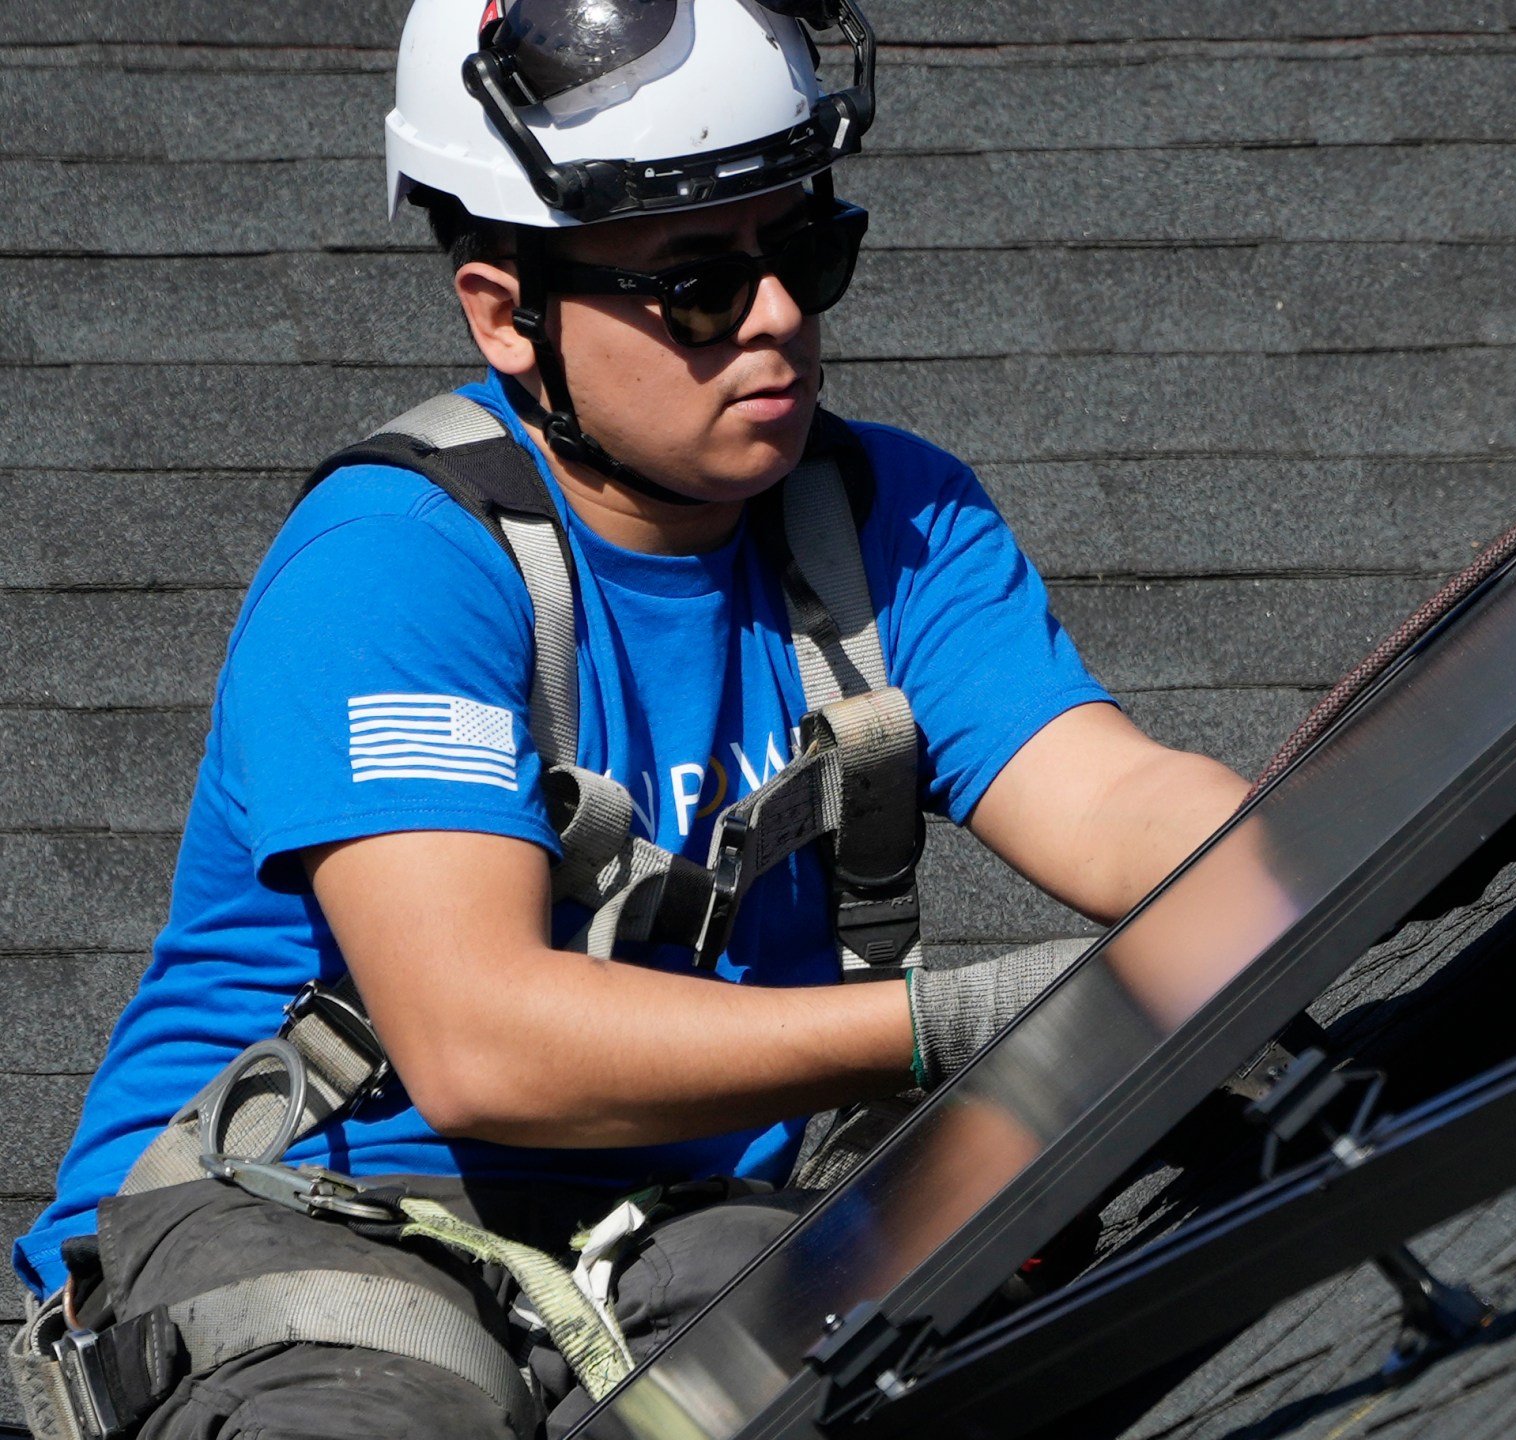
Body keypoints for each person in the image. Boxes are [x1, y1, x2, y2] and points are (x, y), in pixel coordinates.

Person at [4, 2, 1245, 1436]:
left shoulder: (891, 524)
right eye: (698, 285)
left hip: (670, 1209)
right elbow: (477, 1041)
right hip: (309, 1204)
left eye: (807, 250)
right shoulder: (397, 565)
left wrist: (1324, 842)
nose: (778, 316)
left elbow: (1112, 802)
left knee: (912, 1364)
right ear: (501, 311)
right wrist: (944, 1024)